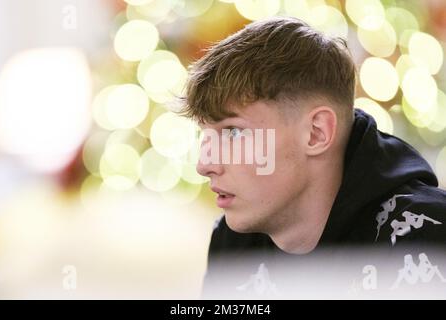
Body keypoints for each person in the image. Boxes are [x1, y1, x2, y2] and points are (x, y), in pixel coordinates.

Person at [179, 16, 446, 298]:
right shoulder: (233, 241)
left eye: (233, 133)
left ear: (316, 132)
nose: (204, 165)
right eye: (206, 135)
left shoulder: (428, 239)